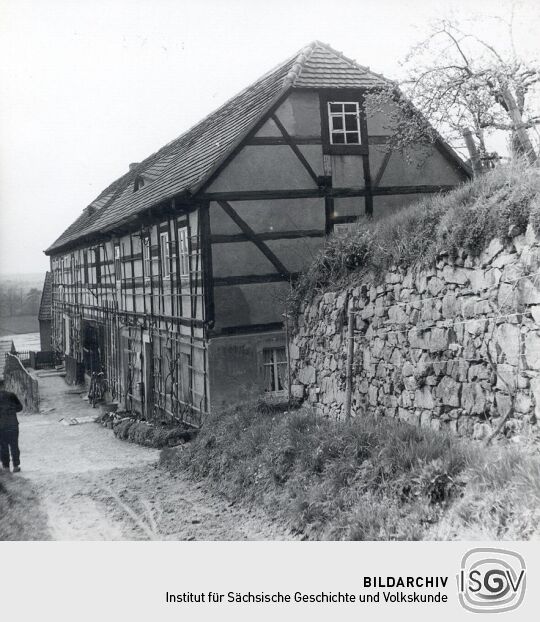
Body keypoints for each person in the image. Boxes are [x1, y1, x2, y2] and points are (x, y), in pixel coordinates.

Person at [0, 383, 23, 473]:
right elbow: (20, 407)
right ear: (3, 386)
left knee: (3, 446)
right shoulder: (11, 395)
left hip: (1, 426)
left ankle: (6, 467)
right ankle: (16, 466)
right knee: (14, 445)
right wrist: (12, 410)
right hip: (13, 424)